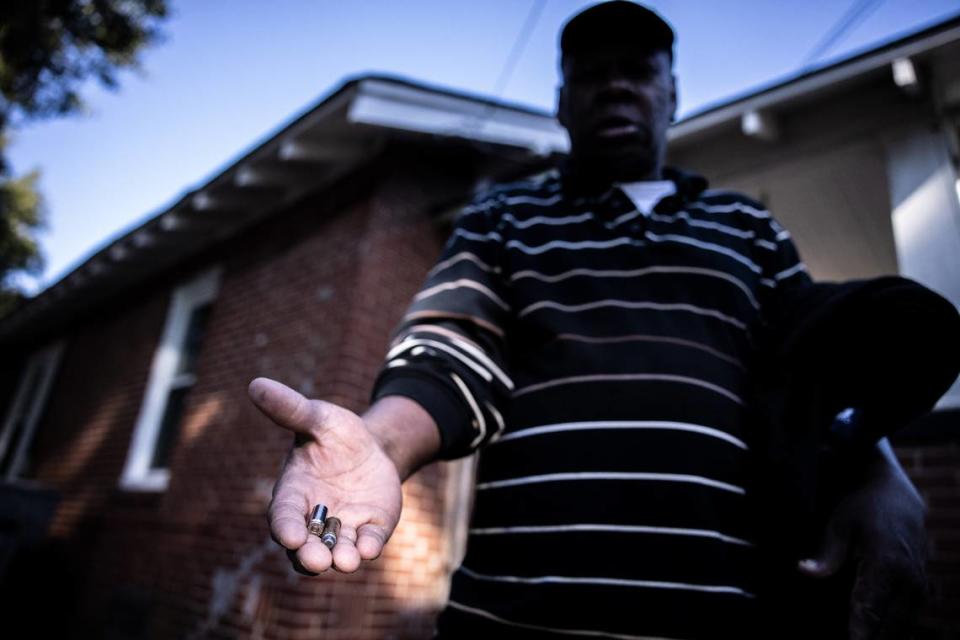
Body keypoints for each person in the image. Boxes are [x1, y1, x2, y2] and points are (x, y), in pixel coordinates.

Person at [248, 2, 933, 638]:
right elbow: (449, 351)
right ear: (561, 103)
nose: (614, 87)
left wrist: (880, 474)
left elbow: (813, 372)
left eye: (637, 72)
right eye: (591, 75)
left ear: (672, 94)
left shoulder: (747, 228)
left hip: (732, 617)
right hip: (512, 619)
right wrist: (379, 444)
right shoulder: (505, 218)